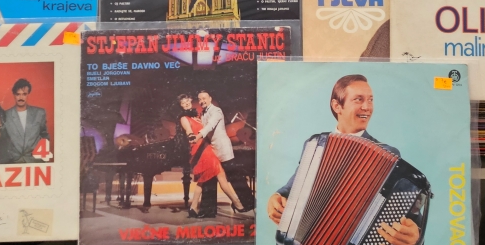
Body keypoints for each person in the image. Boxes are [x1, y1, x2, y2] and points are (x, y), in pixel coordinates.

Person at [267, 75, 421, 245]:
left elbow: (412, 215)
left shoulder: (387, 155)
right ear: (337, 106)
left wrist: (415, 235)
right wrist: (277, 196)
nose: (367, 107)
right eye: (358, 99)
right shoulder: (315, 145)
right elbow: (294, 186)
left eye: (370, 100)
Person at [177, 94, 237, 218]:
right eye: (183, 103)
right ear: (181, 106)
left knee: (202, 179)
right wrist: (191, 136)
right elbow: (189, 131)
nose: (186, 103)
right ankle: (237, 203)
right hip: (200, 148)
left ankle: (193, 207)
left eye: (187, 100)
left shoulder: (197, 116)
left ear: (191, 100)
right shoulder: (184, 118)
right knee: (220, 175)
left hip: (206, 147)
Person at [192, 90, 252, 213]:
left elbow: (210, 126)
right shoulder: (203, 113)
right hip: (212, 150)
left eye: (204, 98)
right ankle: (208, 210)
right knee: (210, 178)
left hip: (223, 149)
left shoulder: (216, 111)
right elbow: (204, 125)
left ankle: (248, 203)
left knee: (235, 177)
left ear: (210, 98)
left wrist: (197, 137)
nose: (202, 101)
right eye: (200, 99)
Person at [5, 78, 50, 163]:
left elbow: (44, 135)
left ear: (28, 94)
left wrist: (43, 157)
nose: (21, 97)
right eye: (18, 94)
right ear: (14, 95)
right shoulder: (6, 115)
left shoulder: (39, 113)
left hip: (35, 161)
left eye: (24, 94)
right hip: (14, 161)